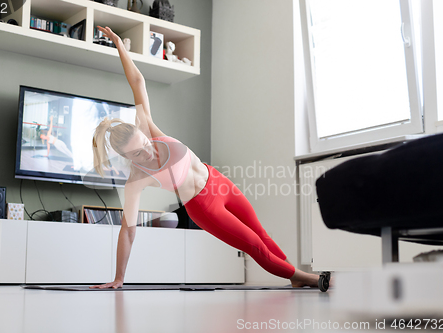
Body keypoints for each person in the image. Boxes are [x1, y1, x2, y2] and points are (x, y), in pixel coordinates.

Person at [90, 26, 324, 289]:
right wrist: (119, 277)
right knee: (255, 245)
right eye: (137, 154)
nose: (147, 151)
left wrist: (120, 45)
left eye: (144, 144)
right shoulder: (135, 179)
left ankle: (291, 276)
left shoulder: (148, 128)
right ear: (126, 157)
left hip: (218, 180)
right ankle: (309, 279)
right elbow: (128, 231)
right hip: (203, 207)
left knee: (261, 234)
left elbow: (138, 81)